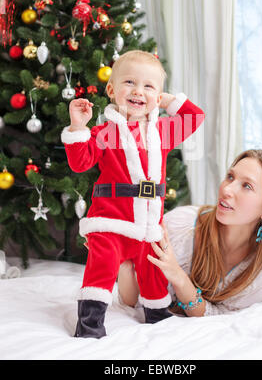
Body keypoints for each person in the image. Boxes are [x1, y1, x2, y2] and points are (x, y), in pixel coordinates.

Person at [61, 50, 205, 337]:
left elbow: (194, 117)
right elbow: (80, 163)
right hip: (110, 223)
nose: (138, 91)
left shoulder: (163, 131)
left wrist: (168, 100)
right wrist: (78, 127)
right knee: (100, 270)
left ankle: (157, 317)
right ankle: (89, 326)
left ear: (158, 96)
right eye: (129, 82)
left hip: (148, 225)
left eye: (148, 86)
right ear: (112, 90)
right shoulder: (103, 132)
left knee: (152, 272)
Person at [118, 149, 262, 316]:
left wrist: (179, 278)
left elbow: (222, 319)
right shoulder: (181, 225)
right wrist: (125, 259)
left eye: (247, 186)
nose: (226, 189)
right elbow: (134, 303)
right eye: (230, 177)